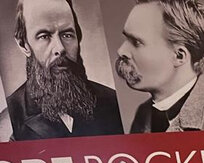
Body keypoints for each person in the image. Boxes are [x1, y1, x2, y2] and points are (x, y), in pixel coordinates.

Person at [8, 0, 122, 140]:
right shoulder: (10, 119)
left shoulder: (112, 102)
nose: (60, 48)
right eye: (44, 36)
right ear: (23, 45)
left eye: (67, 35)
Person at [115, 0, 204, 133]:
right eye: (126, 39)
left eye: (136, 42)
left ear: (179, 56)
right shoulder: (143, 114)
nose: (121, 51)